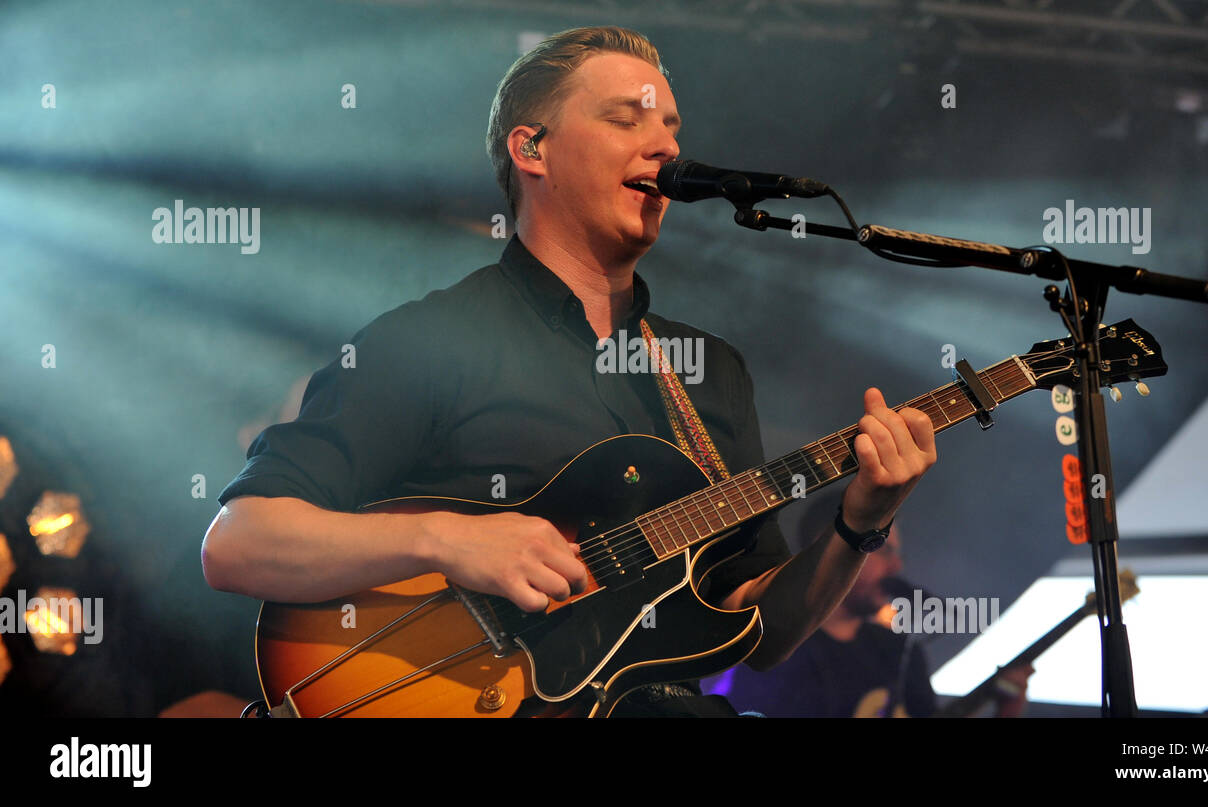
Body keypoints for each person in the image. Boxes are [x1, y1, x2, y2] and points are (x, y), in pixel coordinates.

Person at [201, 25, 938, 717]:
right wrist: (445, 540)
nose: (664, 147)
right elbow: (239, 542)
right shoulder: (429, 340)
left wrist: (860, 522)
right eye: (628, 120)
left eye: (672, 127)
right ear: (533, 150)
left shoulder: (710, 375)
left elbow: (762, 629)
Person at [719, 497, 1032, 718]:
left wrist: (1006, 710)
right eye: (883, 550)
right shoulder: (774, 647)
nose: (896, 566)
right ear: (832, 548)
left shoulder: (899, 650)